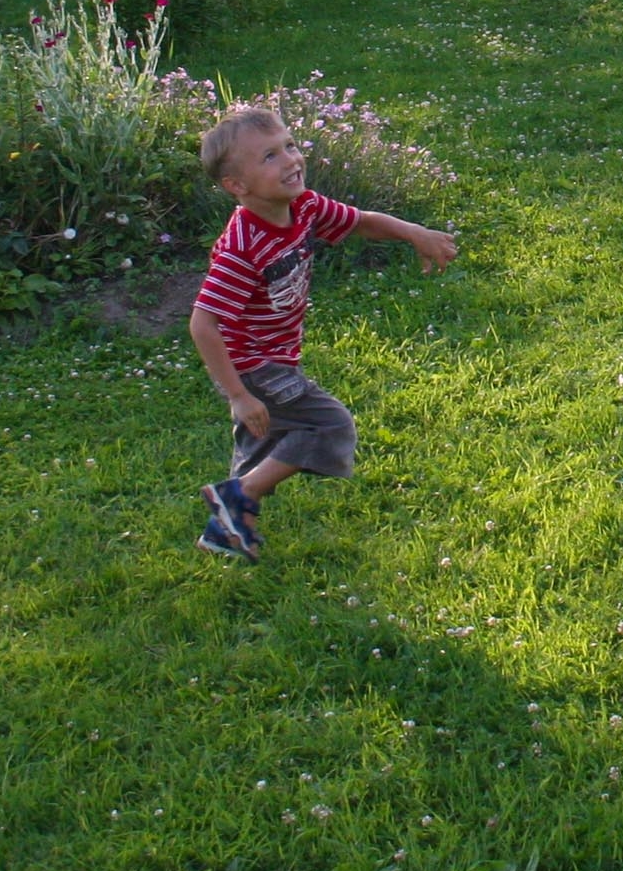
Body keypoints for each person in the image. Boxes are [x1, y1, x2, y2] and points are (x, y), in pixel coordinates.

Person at [188, 106, 458, 560]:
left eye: (290, 146)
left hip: (273, 356)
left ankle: (227, 529)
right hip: (252, 363)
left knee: (265, 438)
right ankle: (239, 496)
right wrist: (238, 394)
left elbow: (360, 221)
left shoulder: (305, 207)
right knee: (328, 424)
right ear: (237, 186)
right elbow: (204, 323)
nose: (291, 159)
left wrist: (414, 232)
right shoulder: (242, 246)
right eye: (270, 157)